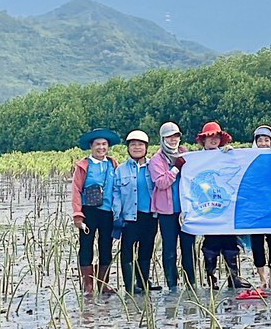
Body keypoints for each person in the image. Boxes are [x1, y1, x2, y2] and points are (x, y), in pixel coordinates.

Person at [195, 121, 251, 290]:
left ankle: (233, 277)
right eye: (210, 137)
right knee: (211, 243)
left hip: (226, 207)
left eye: (217, 137)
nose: (214, 140)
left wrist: (234, 156)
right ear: (203, 141)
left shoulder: (228, 155)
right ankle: (212, 278)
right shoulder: (195, 160)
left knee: (230, 242)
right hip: (208, 207)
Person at [71, 128, 121, 296]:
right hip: (88, 212)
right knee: (86, 247)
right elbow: (76, 191)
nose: (101, 147)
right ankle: (88, 286)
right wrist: (78, 215)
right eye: (97, 144)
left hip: (108, 212)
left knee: (106, 246)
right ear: (91, 146)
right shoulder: (83, 166)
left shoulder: (113, 164)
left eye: (104, 144)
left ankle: (103, 283)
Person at [148, 122, 196, 291]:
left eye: (176, 136)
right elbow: (161, 183)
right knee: (169, 249)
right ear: (162, 139)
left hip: (186, 210)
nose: (173, 140)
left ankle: (191, 283)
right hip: (166, 212)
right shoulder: (156, 160)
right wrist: (176, 169)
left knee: (188, 248)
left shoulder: (186, 154)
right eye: (169, 137)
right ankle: (172, 284)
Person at [113, 130, 159, 295]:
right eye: (133, 144)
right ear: (128, 148)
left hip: (149, 215)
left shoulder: (153, 166)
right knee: (127, 250)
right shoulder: (120, 170)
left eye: (140, 144)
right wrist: (117, 215)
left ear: (146, 147)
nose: (137, 147)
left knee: (146, 249)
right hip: (129, 216)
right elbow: (116, 193)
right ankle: (130, 286)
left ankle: (143, 281)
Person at [241, 125, 271, 299]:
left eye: (266, 140)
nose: (263, 143)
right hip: (255, 210)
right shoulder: (247, 159)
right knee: (257, 245)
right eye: (260, 140)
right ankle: (262, 278)